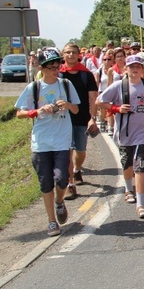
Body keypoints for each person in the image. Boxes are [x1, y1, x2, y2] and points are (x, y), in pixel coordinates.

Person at [15, 48, 80, 236]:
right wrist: (38, 111)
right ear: (41, 68)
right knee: (45, 184)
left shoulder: (66, 84)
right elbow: (19, 113)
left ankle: (60, 201)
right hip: (41, 142)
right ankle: (52, 221)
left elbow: (76, 110)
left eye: (57, 65)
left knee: (61, 180)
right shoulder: (34, 88)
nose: (55, 69)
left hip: (61, 140)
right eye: (51, 66)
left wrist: (67, 105)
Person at [97, 55, 144, 218]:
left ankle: (140, 203)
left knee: (140, 166)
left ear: (143, 69)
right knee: (127, 164)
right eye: (132, 67)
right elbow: (99, 101)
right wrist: (116, 108)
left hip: (143, 133)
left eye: (138, 66)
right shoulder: (118, 86)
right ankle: (128, 188)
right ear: (126, 69)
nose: (135, 69)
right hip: (124, 132)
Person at [59, 43, 98, 199]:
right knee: (67, 152)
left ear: (78, 55)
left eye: (73, 52)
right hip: (62, 119)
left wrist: (92, 118)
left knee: (80, 151)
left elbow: (93, 98)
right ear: (63, 55)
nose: (71, 55)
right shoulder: (59, 74)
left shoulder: (86, 74)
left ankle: (76, 170)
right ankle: (70, 185)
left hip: (82, 118)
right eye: (67, 52)